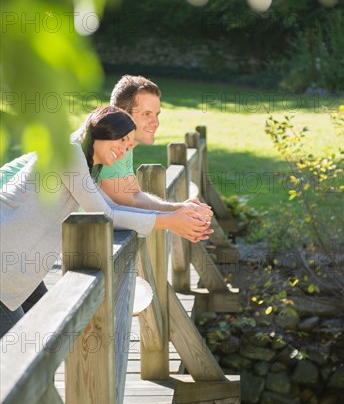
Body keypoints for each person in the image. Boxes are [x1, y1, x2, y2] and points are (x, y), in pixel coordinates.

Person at [0, 106, 210, 338]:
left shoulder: (86, 165)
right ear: (101, 130)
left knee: (44, 345)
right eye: (121, 140)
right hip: (6, 267)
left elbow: (111, 209)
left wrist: (177, 210)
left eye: (128, 146)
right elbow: (105, 215)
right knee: (21, 359)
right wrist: (170, 221)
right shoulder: (71, 154)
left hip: (19, 271)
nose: (123, 151)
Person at [98, 75, 213, 230]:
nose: (156, 123)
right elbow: (127, 204)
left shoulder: (126, 146)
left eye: (157, 114)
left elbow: (135, 195)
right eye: (147, 114)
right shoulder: (110, 146)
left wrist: (178, 208)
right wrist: (174, 219)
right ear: (123, 114)